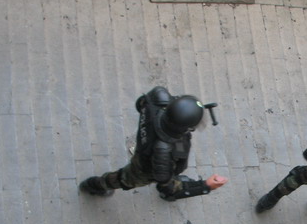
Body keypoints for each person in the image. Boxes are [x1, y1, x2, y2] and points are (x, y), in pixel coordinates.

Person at [79, 86, 227, 200]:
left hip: (146, 148)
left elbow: (141, 103)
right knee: (124, 179)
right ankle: (95, 185)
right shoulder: (164, 152)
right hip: (143, 168)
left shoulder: (158, 97)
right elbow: (167, 184)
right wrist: (206, 186)